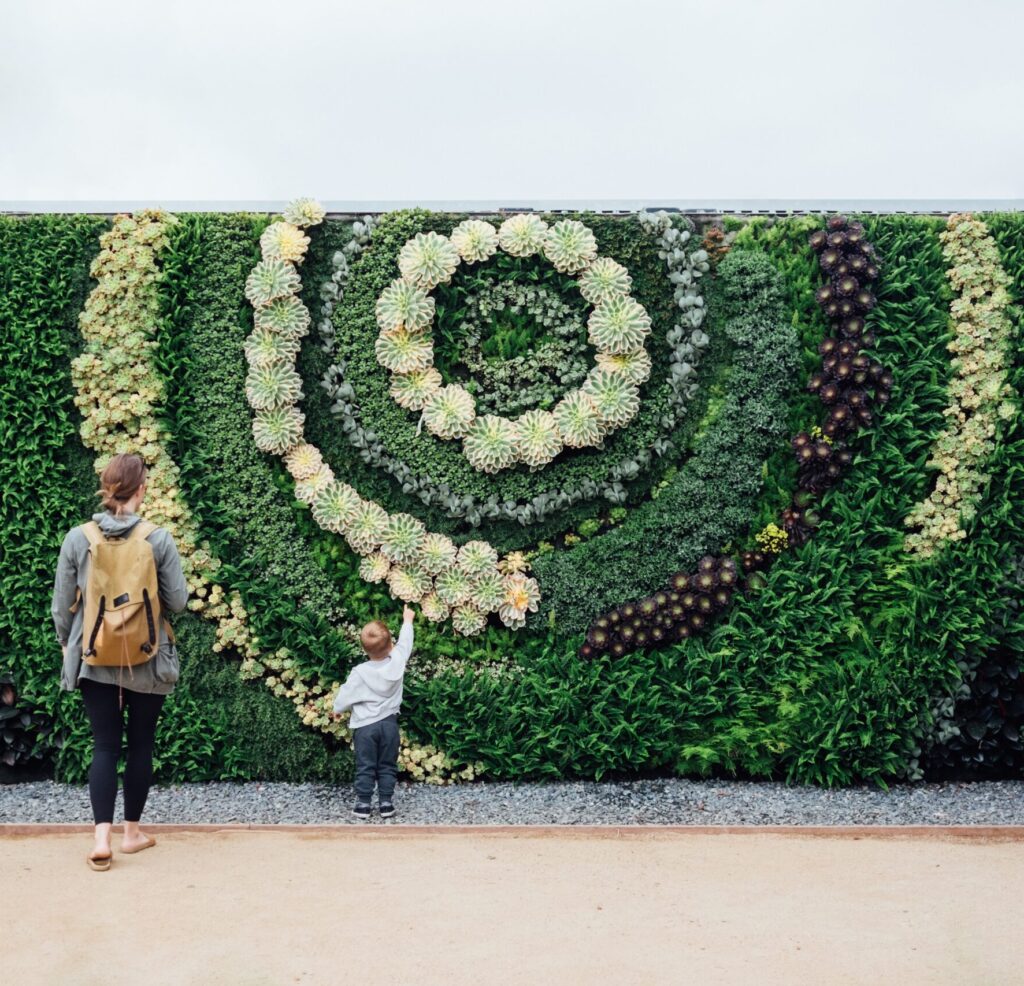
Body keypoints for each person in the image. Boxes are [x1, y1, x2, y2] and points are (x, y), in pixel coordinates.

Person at [52, 453, 188, 870]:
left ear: (106, 487)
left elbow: (62, 606)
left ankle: (100, 839)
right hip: (146, 657)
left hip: (94, 655)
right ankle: (131, 834)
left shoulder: (79, 537)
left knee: (105, 745)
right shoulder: (157, 538)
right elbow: (178, 602)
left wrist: (67, 646)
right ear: (141, 489)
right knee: (141, 743)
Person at [334, 604, 416, 820]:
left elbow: (346, 694)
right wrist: (407, 621)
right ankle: (386, 803)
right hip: (389, 724)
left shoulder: (360, 672)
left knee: (366, 765)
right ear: (391, 644)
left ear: (364, 649)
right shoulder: (398, 661)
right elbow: (406, 643)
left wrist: (337, 709)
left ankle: (363, 804)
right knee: (387, 764)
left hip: (365, 727)